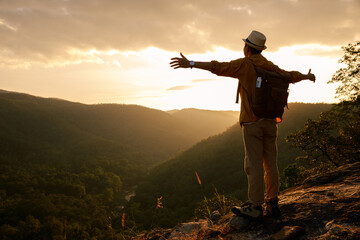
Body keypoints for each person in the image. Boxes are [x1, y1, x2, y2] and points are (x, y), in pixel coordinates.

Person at [170, 30, 315, 221]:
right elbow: (290, 76)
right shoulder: (270, 66)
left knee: (253, 165)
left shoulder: (244, 65)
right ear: (260, 49)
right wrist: (306, 76)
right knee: (271, 164)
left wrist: (191, 64)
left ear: (247, 47)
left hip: (252, 123)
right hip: (271, 122)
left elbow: (218, 67)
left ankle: (255, 207)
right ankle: (273, 202)